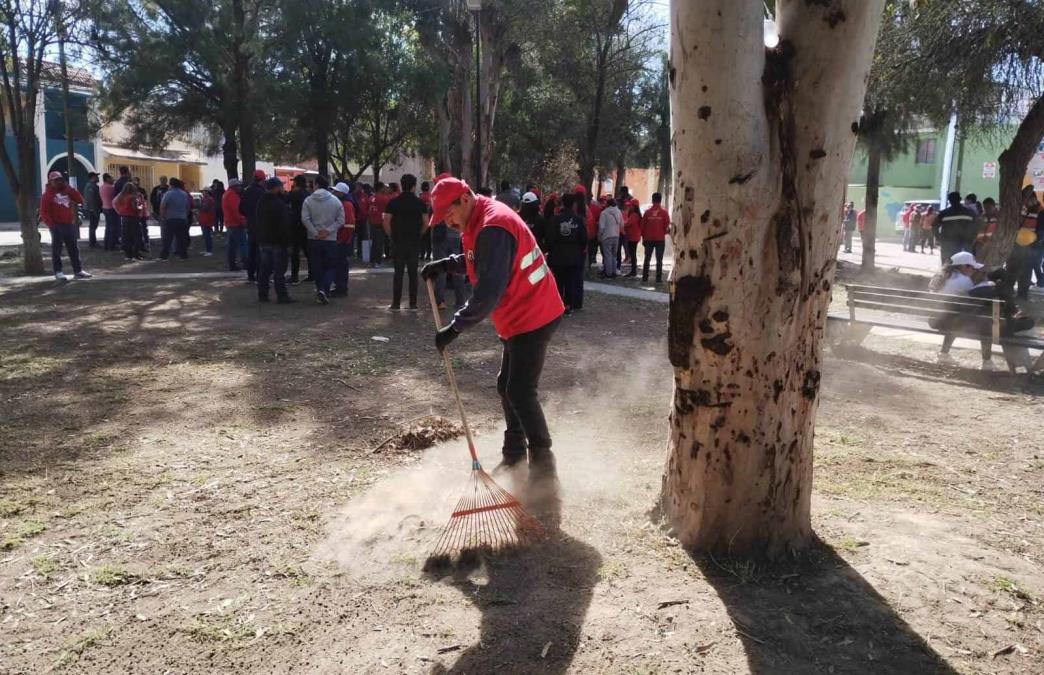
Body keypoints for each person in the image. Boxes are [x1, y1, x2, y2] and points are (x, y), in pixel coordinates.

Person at [420, 177, 564, 475]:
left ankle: (543, 467)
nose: (447, 223)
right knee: (507, 386)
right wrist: (448, 263)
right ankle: (513, 455)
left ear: (464, 199)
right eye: (442, 218)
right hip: (517, 316)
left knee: (520, 389)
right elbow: (480, 260)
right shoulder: (478, 221)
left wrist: (455, 327)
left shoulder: (493, 226)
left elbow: (487, 291)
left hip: (533, 313)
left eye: (449, 214)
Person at [383, 173, 429, 310]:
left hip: (398, 241)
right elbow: (426, 222)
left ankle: (396, 303)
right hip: (414, 241)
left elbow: (386, 222)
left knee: (398, 273)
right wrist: (419, 234)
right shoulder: (420, 203)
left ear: (402, 185)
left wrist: (392, 236)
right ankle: (413, 303)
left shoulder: (393, 202)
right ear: (414, 186)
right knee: (413, 273)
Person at [40, 171, 90, 281]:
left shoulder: (67, 191)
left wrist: (70, 189)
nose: (58, 182)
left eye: (60, 179)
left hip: (69, 224)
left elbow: (80, 200)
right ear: (50, 182)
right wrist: (52, 225)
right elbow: (44, 212)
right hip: (56, 225)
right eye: (55, 180)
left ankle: (78, 270)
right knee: (57, 249)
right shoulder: (47, 195)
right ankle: (58, 272)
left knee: (74, 248)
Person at [301, 175, 344, 305]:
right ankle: (325, 288)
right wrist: (329, 230)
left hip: (313, 239)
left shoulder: (308, 200)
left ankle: (320, 288)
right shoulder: (336, 201)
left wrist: (314, 232)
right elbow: (341, 220)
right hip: (330, 238)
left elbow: (305, 219)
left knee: (317, 266)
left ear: (316, 185)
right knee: (330, 265)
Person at [255, 177, 296, 303]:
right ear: (276, 188)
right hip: (278, 241)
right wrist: (287, 242)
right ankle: (281, 295)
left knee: (265, 269)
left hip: (264, 240)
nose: (283, 188)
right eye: (281, 186)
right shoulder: (279, 204)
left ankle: (263, 294)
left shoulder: (261, 202)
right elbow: (284, 225)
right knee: (279, 270)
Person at [545, 193, 586, 313]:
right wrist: (579, 250)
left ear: (563, 203)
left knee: (559, 280)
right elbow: (583, 239)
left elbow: (550, 238)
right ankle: (568, 304)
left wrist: (551, 251)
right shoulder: (578, 220)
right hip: (573, 255)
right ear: (573, 204)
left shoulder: (556, 219)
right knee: (571, 281)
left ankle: (558, 304)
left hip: (558, 255)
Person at [1006, 187, 1042, 300]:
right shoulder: (1023, 209)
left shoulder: (1041, 212)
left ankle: (1022, 294)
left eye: (1026, 199)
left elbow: (1041, 232)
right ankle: (1008, 292)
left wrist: (1034, 245)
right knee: (1011, 268)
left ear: (1033, 199)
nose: (1025, 202)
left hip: (1031, 248)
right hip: (1017, 246)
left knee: (1026, 272)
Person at [935, 191, 977, 264]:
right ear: (960, 199)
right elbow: (977, 226)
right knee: (963, 265)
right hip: (964, 244)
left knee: (947, 265)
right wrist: (972, 238)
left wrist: (939, 238)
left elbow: (934, 226)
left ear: (949, 201)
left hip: (947, 244)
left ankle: (947, 274)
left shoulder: (944, 213)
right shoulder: (970, 213)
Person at [239, 169, 267, 281]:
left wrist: (248, 215)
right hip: (261, 225)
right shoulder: (263, 193)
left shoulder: (247, 191)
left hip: (250, 224)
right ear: (263, 179)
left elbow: (240, 209)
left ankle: (250, 274)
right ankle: (260, 273)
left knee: (251, 250)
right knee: (261, 251)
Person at [331, 182, 357, 297]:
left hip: (342, 240)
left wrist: (341, 239)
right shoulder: (345, 203)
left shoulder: (346, 205)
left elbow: (349, 225)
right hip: (342, 239)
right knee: (340, 265)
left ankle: (341, 288)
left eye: (336, 191)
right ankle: (340, 287)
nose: (334, 193)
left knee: (340, 266)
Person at [159, 177, 191, 260]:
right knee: (181, 239)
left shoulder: (168, 194)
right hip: (182, 218)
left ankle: (164, 256)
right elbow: (187, 206)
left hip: (170, 218)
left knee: (168, 239)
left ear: (171, 184)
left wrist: (163, 216)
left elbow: (163, 206)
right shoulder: (184, 194)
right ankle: (183, 255)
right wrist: (185, 215)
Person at [641, 192, 670, 283]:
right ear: (660, 200)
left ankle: (645, 277)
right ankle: (658, 278)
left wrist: (644, 237)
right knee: (659, 259)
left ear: (652, 200)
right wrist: (662, 232)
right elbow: (667, 226)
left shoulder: (647, 212)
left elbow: (642, 226)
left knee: (647, 258)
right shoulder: (664, 213)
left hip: (648, 238)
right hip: (660, 239)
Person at [287, 175, 309, 283]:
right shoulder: (307, 194)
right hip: (305, 225)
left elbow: (287, 201)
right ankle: (312, 274)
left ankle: (294, 276)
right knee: (307, 251)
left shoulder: (295, 193)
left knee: (295, 252)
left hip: (295, 225)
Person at [114, 182, 143, 261]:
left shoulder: (120, 196)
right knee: (136, 236)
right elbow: (135, 207)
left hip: (124, 217)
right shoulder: (133, 197)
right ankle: (136, 255)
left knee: (126, 236)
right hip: (133, 217)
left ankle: (128, 255)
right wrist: (140, 207)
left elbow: (115, 203)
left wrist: (120, 211)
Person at [223, 179, 247, 271]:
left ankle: (232, 264)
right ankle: (245, 263)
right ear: (234, 186)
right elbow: (236, 211)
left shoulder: (226, 194)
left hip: (230, 223)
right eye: (238, 186)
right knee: (243, 244)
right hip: (235, 223)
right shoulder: (232, 196)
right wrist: (242, 221)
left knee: (232, 246)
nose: (240, 187)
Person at [597, 197, 623, 278]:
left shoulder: (604, 213)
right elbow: (622, 225)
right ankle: (614, 271)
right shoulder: (619, 212)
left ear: (608, 204)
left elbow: (601, 227)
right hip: (616, 236)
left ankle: (608, 273)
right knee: (614, 255)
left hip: (607, 236)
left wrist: (599, 236)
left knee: (607, 255)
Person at [368, 182, 390, 266]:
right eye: (384, 187)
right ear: (381, 188)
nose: (385, 189)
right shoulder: (384, 199)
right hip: (380, 223)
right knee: (380, 243)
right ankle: (378, 261)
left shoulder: (371, 198)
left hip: (372, 223)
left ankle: (372, 261)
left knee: (374, 243)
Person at [99, 173, 120, 251]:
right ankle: (112, 245)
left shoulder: (101, 187)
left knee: (108, 227)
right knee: (113, 228)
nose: (113, 179)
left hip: (105, 208)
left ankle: (106, 244)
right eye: (111, 178)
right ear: (107, 179)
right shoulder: (111, 188)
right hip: (111, 208)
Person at [623, 201, 642, 276]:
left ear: (634, 207)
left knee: (632, 254)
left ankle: (633, 271)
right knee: (633, 254)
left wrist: (622, 223)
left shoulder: (634, 215)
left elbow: (627, 224)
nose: (629, 207)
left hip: (632, 237)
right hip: (635, 236)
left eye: (630, 206)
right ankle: (633, 270)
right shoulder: (637, 215)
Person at [83, 172, 102, 248]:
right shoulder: (90, 186)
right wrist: (93, 209)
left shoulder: (93, 186)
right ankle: (92, 242)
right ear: (92, 177)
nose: (98, 178)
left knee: (94, 226)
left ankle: (93, 241)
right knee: (93, 226)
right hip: (92, 208)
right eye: (96, 176)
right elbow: (91, 199)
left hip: (94, 208)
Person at [197, 188, 216, 256]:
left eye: (204, 191)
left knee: (207, 236)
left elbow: (205, 208)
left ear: (207, 192)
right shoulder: (205, 199)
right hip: (204, 219)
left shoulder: (208, 199)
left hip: (207, 219)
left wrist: (199, 205)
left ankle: (209, 250)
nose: (203, 193)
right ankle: (207, 249)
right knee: (205, 236)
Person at [419, 181, 433, 260]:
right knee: (428, 239)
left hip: (421, 220)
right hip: (430, 219)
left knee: (422, 238)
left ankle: (422, 254)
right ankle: (428, 254)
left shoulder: (420, 197)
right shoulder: (431, 197)